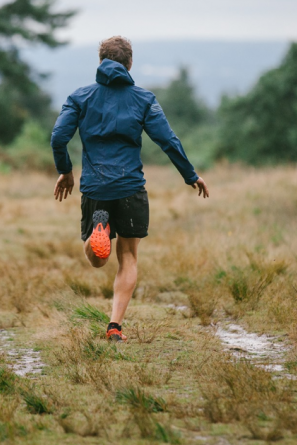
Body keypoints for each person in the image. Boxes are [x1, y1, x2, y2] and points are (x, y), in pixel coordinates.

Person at [50, 36, 210, 342]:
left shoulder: (79, 97)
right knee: (129, 258)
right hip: (130, 187)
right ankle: (114, 326)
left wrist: (65, 171)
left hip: (95, 188)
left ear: (100, 63)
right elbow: (168, 140)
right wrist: (190, 175)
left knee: (97, 259)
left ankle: (99, 229)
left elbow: (58, 137)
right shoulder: (143, 99)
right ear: (130, 64)